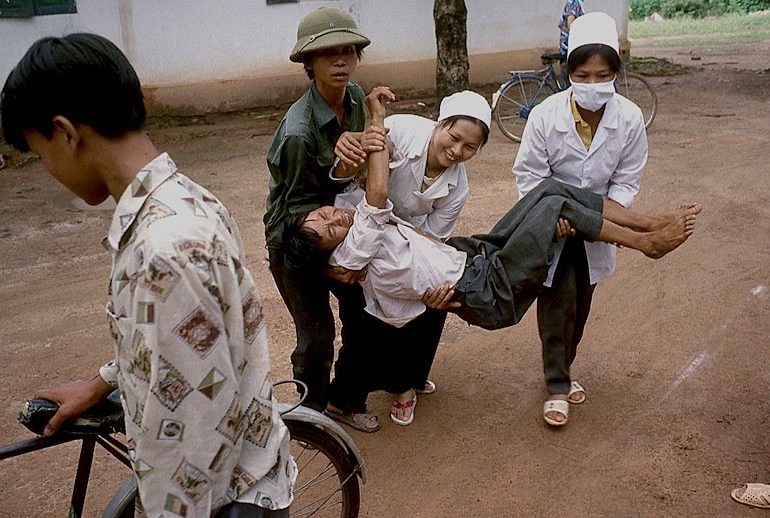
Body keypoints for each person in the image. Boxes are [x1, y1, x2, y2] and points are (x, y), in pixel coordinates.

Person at [1, 34, 294, 516]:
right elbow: (187, 342)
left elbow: (193, 439)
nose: (47, 170)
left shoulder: (164, 248)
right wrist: (105, 380)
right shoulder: (186, 199)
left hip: (223, 501)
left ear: (66, 133)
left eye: (39, 153)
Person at [283, 89, 700, 345]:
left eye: (468, 145)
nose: (336, 220)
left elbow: (429, 238)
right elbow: (374, 192)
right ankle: (645, 241)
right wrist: (375, 121)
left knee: (548, 190)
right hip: (486, 288)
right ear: (329, 255)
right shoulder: (350, 249)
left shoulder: (361, 221)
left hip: (471, 256)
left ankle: (644, 222)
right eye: (327, 230)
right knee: (553, 206)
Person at [323, 89, 491, 426]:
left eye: (469, 147)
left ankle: (408, 380)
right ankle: (344, 400)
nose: (457, 151)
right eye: (453, 137)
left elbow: (431, 237)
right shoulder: (398, 131)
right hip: (353, 237)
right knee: (364, 321)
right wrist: (372, 253)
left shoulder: (458, 188)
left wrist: (415, 272)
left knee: (432, 301)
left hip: (400, 246)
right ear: (440, 124)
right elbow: (356, 180)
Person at [513, 12, 649, 427]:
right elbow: (529, 174)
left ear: (616, 73)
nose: (593, 85)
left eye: (602, 75)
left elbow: (627, 177)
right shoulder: (545, 116)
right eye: (583, 75)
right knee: (556, 301)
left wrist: (600, 214)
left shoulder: (628, 117)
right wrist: (550, 215)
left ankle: (565, 367)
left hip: (599, 222)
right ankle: (556, 384)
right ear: (569, 71)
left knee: (582, 304)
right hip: (551, 220)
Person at [264, 7, 382, 431]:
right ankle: (311, 416)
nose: (340, 61)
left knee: (364, 315)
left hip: (342, 230)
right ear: (308, 63)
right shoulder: (297, 132)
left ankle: (345, 401)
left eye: (348, 51)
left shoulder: (354, 99)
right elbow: (296, 210)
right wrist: (339, 167)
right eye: (328, 54)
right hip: (298, 239)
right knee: (316, 337)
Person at [557, 0, 586, 84]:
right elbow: (571, 23)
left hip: (566, 46)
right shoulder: (575, 3)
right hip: (570, 46)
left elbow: (562, 25)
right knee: (571, 79)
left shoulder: (571, 2)